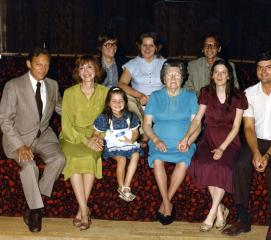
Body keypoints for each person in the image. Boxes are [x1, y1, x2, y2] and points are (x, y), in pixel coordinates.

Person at [222, 51, 271, 240]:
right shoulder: (249, 93)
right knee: (240, 163)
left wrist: (267, 156)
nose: (264, 71)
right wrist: (255, 152)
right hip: (257, 140)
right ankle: (243, 219)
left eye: (269, 67)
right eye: (260, 67)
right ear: (256, 70)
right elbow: (248, 127)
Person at [0, 47, 65, 232]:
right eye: (38, 64)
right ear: (29, 64)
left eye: (46, 65)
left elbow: (62, 109)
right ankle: (36, 211)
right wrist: (20, 145)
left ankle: (31, 202)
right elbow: (4, 120)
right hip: (18, 137)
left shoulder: (52, 85)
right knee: (30, 167)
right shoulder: (13, 86)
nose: (42, 69)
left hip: (43, 135)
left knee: (59, 159)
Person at [178, 60, 248, 232]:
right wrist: (186, 138)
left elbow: (236, 128)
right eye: (216, 72)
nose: (219, 75)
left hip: (229, 142)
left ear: (229, 75)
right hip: (208, 139)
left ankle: (211, 213)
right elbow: (197, 119)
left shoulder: (239, 96)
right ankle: (220, 211)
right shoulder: (206, 92)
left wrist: (222, 148)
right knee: (205, 164)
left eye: (223, 72)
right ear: (212, 75)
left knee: (222, 166)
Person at [143, 60, 199, 225]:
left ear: (183, 78)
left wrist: (188, 141)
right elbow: (146, 125)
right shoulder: (155, 96)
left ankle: (164, 203)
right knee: (158, 160)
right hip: (160, 141)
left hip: (184, 141)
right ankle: (167, 204)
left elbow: (196, 126)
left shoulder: (190, 97)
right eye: (169, 75)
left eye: (177, 75)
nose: (173, 78)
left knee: (183, 162)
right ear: (163, 78)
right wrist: (155, 139)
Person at [60, 55, 109, 230]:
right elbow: (66, 125)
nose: (86, 72)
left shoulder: (105, 92)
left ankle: (81, 211)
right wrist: (85, 140)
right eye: (82, 68)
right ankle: (84, 209)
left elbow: (107, 120)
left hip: (96, 136)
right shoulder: (69, 92)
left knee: (89, 159)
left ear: (96, 70)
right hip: (72, 137)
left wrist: (97, 137)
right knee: (73, 160)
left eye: (90, 67)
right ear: (77, 72)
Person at [93, 87, 143, 202]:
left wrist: (132, 140)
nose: (117, 104)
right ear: (108, 103)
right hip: (113, 146)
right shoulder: (104, 117)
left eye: (121, 101)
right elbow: (96, 133)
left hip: (127, 143)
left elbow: (135, 132)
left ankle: (126, 186)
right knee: (122, 160)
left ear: (125, 102)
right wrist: (97, 139)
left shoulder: (131, 116)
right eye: (114, 101)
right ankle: (120, 187)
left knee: (135, 155)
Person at [119, 32, 166, 145]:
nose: (147, 48)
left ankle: (148, 133)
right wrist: (140, 95)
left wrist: (153, 97)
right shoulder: (132, 63)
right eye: (144, 45)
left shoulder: (164, 63)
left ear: (156, 47)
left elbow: (170, 85)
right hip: (138, 103)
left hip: (159, 101)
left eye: (151, 45)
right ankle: (144, 131)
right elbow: (121, 83)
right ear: (140, 46)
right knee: (126, 98)